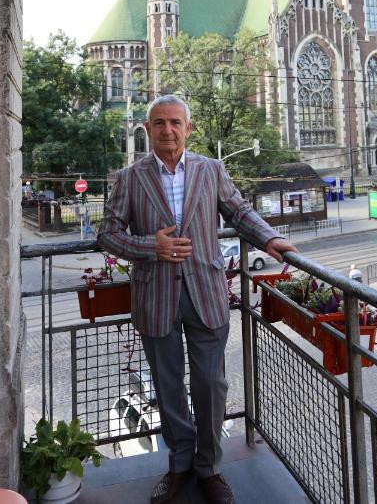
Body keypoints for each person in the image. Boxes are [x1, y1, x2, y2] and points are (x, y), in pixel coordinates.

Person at [98, 95, 297, 504]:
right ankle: (180, 464)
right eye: (159, 123)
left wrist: (271, 238)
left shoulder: (212, 169)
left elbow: (239, 212)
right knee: (167, 387)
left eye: (175, 122)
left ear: (188, 128)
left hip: (205, 292)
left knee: (211, 385)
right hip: (155, 296)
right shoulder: (129, 178)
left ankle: (209, 467)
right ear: (147, 129)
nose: (167, 130)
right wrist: (149, 246)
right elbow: (108, 233)